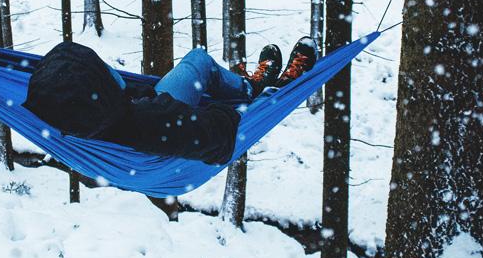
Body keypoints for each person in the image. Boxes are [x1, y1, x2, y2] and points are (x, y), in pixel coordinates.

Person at [23, 37, 318, 166]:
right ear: (99, 85)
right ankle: (266, 91)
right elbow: (220, 135)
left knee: (197, 64)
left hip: (121, 129)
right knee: (200, 61)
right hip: (160, 145)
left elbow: (115, 97)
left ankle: (251, 85)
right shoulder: (155, 121)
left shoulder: (65, 111)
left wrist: (137, 95)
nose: (109, 68)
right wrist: (233, 113)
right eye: (103, 69)